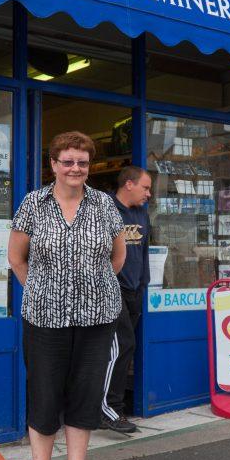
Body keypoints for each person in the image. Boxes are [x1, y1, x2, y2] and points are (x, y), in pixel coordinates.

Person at [8, 131, 127, 460]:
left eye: (83, 162)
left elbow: (117, 257)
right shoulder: (33, 204)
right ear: (54, 165)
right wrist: (44, 290)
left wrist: (93, 290)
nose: (76, 168)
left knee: (85, 395)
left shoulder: (105, 205)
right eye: (68, 161)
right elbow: (16, 259)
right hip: (45, 319)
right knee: (43, 396)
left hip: (97, 318)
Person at [100, 166, 152, 434]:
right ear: (128, 184)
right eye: (145, 187)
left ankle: (108, 406)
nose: (149, 193)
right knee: (122, 346)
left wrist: (143, 286)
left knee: (122, 349)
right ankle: (110, 408)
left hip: (134, 291)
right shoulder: (105, 207)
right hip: (111, 289)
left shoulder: (142, 212)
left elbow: (143, 252)